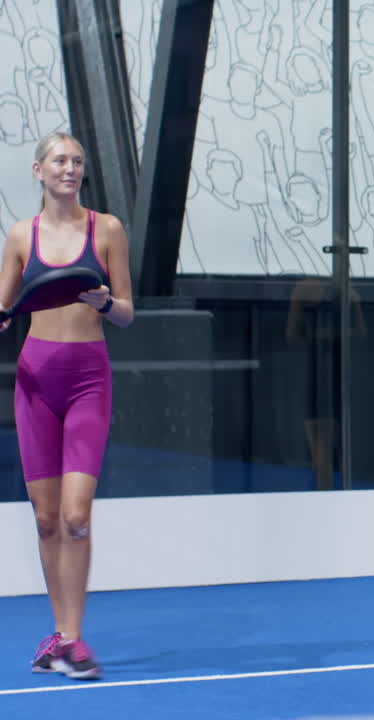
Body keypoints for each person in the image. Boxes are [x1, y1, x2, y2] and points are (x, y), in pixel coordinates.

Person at [0, 131, 135, 679]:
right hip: (35, 381)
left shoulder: (107, 230)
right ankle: (57, 637)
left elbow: (128, 312)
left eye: (78, 161)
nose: (70, 168)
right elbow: (4, 308)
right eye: (60, 160)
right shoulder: (18, 236)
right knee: (48, 517)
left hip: (86, 381)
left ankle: (74, 639)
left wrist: (107, 303)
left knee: (77, 518)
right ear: (38, 170)